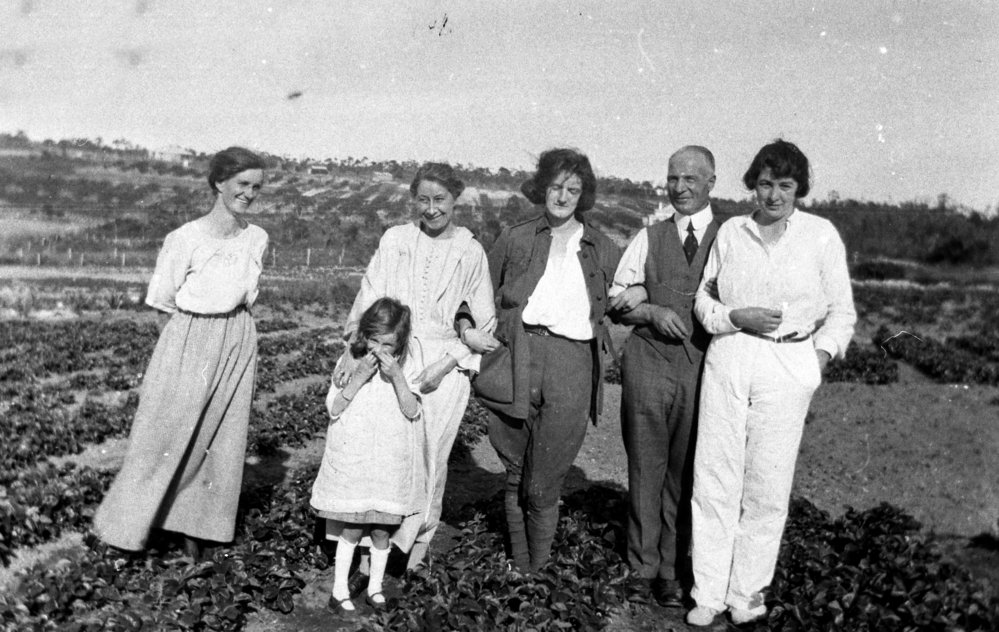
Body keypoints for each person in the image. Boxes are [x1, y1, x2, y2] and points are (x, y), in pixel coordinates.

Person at [685, 139, 856, 627]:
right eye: (764, 184)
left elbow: (841, 311)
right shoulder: (732, 232)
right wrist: (734, 316)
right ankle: (708, 593)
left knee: (767, 483)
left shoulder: (820, 236)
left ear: (799, 188)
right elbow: (704, 300)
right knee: (715, 476)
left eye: (784, 185)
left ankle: (746, 595)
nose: (774, 195)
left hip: (788, 364)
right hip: (731, 356)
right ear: (752, 186)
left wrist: (817, 359)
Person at [93, 146, 269, 558]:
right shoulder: (185, 238)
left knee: (221, 437)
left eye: (256, 187)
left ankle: (196, 529)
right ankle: (126, 529)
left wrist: (232, 336)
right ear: (219, 182)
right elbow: (163, 302)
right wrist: (180, 353)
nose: (249, 193)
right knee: (164, 434)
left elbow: (246, 295)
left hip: (238, 336)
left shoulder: (257, 238)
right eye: (242, 184)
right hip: (190, 336)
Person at [332, 162, 497, 570]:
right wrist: (352, 350)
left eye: (440, 199)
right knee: (384, 453)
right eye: (423, 199)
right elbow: (369, 296)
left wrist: (447, 364)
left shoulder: (470, 250)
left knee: (430, 457)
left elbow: (484, 322)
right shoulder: (397, 240)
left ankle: (415, 547)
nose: (432, 208)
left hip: (443, 365)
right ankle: (373, 547)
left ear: (456, 199)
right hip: (391, 354)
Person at [475, 148, 621, 572]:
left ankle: (536, 572)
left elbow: (627, 294)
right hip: (518, 355)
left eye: (572, 189)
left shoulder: (602, 247)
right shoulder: (515, 237)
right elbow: (479, 289)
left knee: (543, 483)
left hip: (572, 365)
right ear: (542, 188)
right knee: (515, 473)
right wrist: (471, 328)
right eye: (555, 186)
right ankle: (519, 567)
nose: (562, 196)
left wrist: (637, 295)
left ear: (583, 195)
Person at [607, 146, 720, 607]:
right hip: (649, 364)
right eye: (673, 178)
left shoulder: (730, 237)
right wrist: (650, 311)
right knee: (645, 468)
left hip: (703, 369)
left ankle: (672, 571)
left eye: (691, 179)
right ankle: (641, 567)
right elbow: (616, 300)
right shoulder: (649, 236)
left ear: (711, 182)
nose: (680, 187)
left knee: (686, 471)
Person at [311, 297, 423, 615]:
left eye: (388, 344)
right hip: (356, 461)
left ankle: (375, 588)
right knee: (351, 528)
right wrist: (358, 377)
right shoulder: (351, 361)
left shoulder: (407, 367)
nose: (379, 349)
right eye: (374, 340)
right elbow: (334, 408)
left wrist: (397, 377)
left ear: (400, 344)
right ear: (364, 336)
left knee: (381, 531)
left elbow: (413, 411)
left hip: (388, 462)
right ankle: (339, 591)